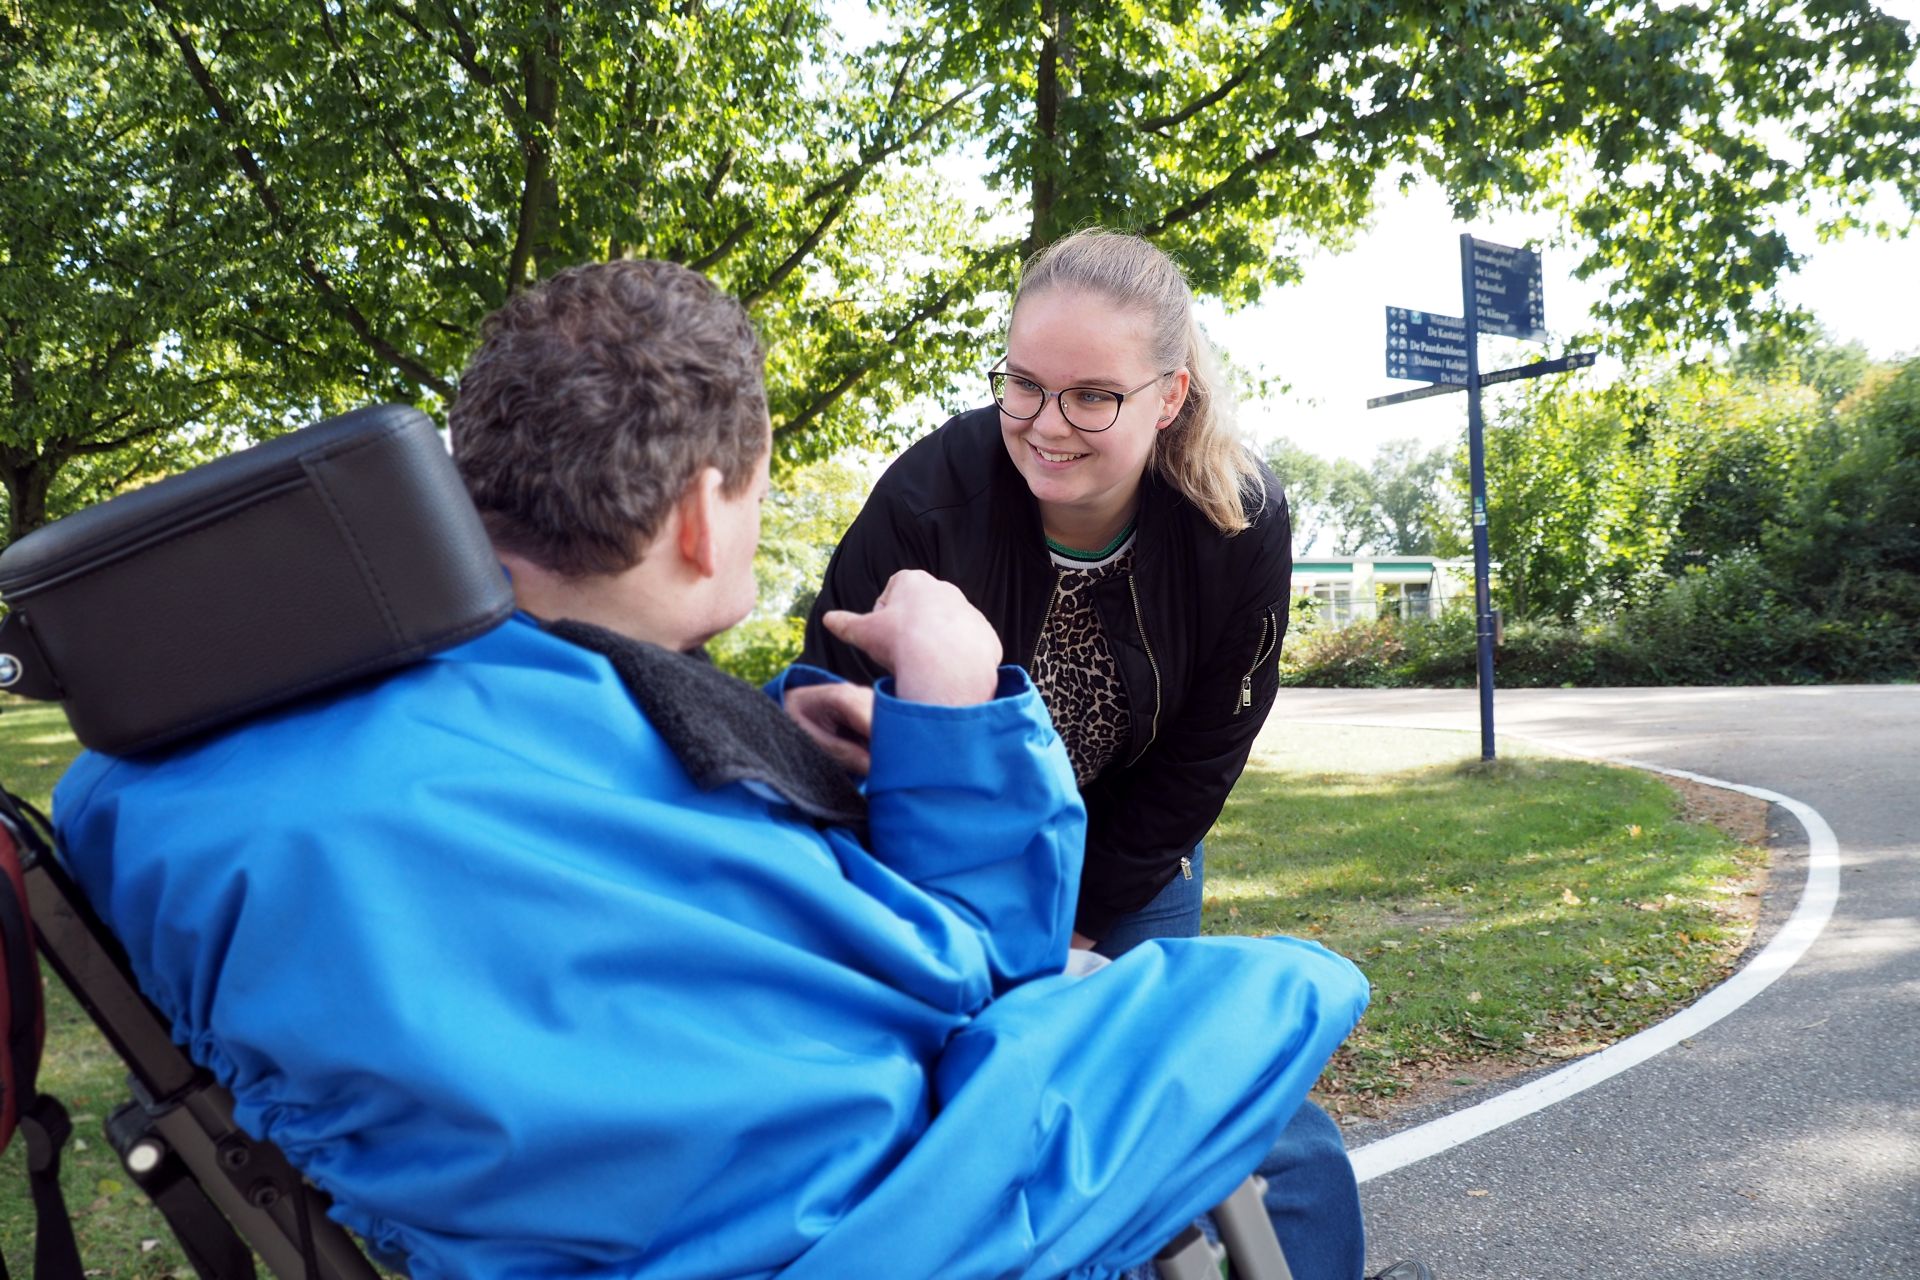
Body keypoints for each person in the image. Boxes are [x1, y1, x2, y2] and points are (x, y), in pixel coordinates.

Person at [52, 259, 1381, 1280]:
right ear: (702, 514)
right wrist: (960, 713)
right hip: (841, 1234)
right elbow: (985, 976)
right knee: (1282, 1078)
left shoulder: (153, 800)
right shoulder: (701, 763)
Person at [800, 227, 1290, 958]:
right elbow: (835, 713)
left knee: (1112, 1029)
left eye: (1093, 396)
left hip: (1132, 836)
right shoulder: (925, 499)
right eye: (1025, 384)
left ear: (1169, 396)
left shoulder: (1238, 521)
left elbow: (1208, 742)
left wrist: (1081, 925)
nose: (1047, 426)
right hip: (945, 832)